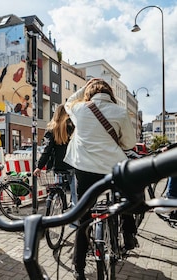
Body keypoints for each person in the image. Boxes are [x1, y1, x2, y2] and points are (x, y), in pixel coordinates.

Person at [63, 79, 136, 280]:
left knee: (84, 216)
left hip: (84, 170)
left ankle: (78, 268)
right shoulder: (120, 112)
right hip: (112, 168)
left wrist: (83, 88)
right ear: (110, 93)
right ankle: (129, 235)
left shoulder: (80, 110)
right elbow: (129, 143)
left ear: (89, 93)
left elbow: (67, 103)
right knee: (125, 198)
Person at [33, 104, 77, 209]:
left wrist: (39, 166)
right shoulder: (73, 127)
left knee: (58, 187)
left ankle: (60, 207)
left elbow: (47, 150)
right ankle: (75, 220)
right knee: (75, 194)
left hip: (57, 166)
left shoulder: (51, 129)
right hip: (72, 164)